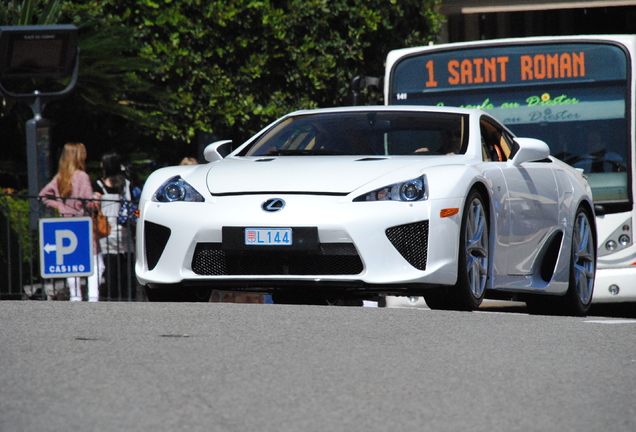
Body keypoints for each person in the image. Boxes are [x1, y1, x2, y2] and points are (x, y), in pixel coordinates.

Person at [39, 142, 104, 302]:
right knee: (96, 263)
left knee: (71, 262)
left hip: (65, 223)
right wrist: (97, 199)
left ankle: (75, 297)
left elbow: (43, 196)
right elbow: (89, 203)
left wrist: (60, 206)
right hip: (83, 224)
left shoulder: (60, 177)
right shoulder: (82, 176)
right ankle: (93, 297)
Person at [93, 153, 137, 301]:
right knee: (126, 273)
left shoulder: (98, 186)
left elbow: (93, 207)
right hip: (125, 233)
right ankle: (128, 298)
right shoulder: (126, 184)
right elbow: (135, 207)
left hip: (106, 234)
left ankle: (112, 300)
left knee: (110, 273)